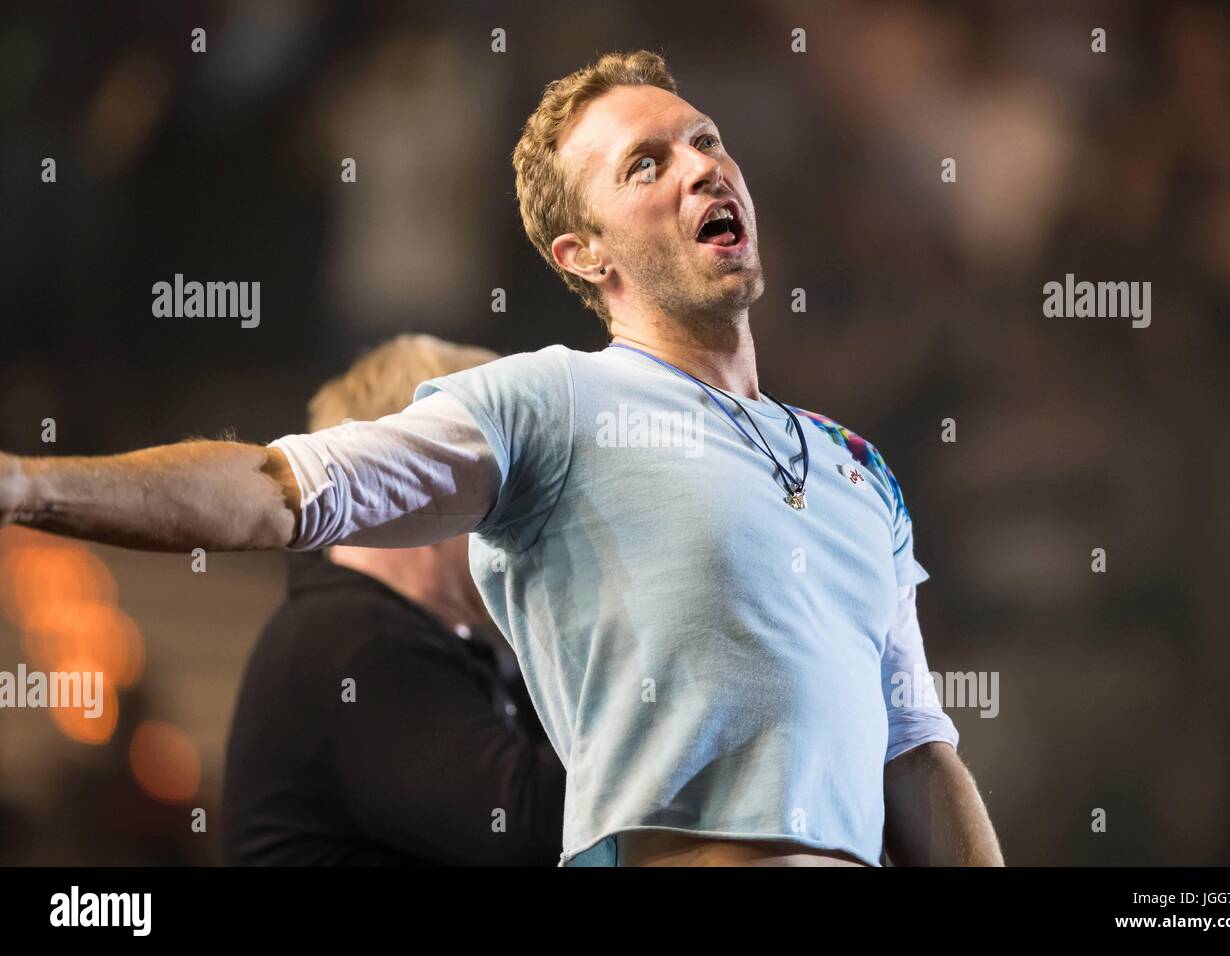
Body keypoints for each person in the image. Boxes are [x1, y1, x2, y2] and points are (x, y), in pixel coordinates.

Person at [1, 50, 1002, 867]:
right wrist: (28, 482)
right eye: (644, 165)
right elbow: (276, 491)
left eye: (705, 140)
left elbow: (917, 756)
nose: (701, 166)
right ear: (584, 255)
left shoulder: (854, 465)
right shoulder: (547, 399)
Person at [222, 334, 565, 866]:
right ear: (418, 485)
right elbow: (525, 830)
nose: (529, 514)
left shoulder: (434, 638)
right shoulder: (349, 640)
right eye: (505, 480)